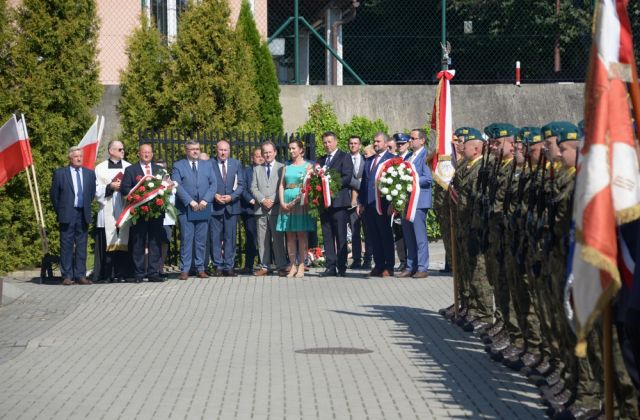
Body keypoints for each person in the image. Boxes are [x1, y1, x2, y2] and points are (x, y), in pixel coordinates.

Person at [50, 146, 96, 285]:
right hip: (67, 213)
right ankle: (67, 276)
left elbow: (91, 193)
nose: (79, 158)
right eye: (76, 156)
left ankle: (80, 275)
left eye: (80, 156)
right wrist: (61, 210)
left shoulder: (89, 173)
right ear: (70, 158)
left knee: (82, 245)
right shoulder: (60, 173)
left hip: (82, 213)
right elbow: (54, 195)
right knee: (66, 245)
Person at [172, 140, 217, 280]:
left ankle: (200, 268)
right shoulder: (178, 165)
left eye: (197, 148)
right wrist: (190, 201)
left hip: (203, 207)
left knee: (201, 240)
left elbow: (213, 184)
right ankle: (185, 269)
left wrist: (205, 200)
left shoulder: (207, 164)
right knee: (186, 239)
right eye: (192, 149)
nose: (195, 151)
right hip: (186, 208)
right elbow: (176, 185)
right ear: (186, 150)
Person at [120, 143, 165, 283]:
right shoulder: (131, 170)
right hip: (139, 212)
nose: (146, 155)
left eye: (149, 152)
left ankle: (153, 272)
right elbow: (124, 189)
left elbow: (165, 188)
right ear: (139, 154)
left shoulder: (159, 170)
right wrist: (137, 195)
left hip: (156, 212)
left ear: (152, 154)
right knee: (138, 242)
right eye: (144, 152)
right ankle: (138, 274)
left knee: (155, 242)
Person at [93, 140, 132, 283]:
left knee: (124, 240)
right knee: (107, 241)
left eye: (123, 149)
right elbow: (96, 189)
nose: (123, 151)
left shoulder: (128, 166)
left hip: (123, 207)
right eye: (120, 149)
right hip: (107, 208)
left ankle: (123, 273)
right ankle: (106, 274)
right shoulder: (100, 168)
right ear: (111, 151)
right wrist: (110, 186)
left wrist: (123, 188)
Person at [357, 132, 395, 277]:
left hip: (383, 205)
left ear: (386, 143)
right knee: (373, 236)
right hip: (369, 205)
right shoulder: (369, 161)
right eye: (374, 141)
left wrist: (393, 203)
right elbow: (364, 183)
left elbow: (395, 184)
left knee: (385, 235)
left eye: (378, 141)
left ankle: (389, 266)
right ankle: (378, 265)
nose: (375, 144)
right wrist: (360, 202)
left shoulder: (392, 160)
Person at [276, 139, 315, 278]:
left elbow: (308, 186)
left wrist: (296, 200)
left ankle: (302, 265)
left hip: (300, 202)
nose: (291, 151)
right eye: (290, 149)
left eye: (293, 148)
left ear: (301, 150)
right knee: (289, 235)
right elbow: (281, 185)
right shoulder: (286, 167)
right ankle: (292, 264)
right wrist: (282, 202)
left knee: (301, 234)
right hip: (286, 200)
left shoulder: (308, 166)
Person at [317, 131, 354, 277]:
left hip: (339, 202)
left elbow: (347, 177)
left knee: (340, 235)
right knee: (327, 235)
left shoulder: (345, 157)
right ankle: (330, 266)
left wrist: (330, 183)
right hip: (324, 204)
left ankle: (342, 266)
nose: (327, 145)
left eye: (329, 142)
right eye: (325, 142)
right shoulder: (321, 160)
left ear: (336, 142)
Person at [397, 129, 432, 279]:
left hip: (418, 202)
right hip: (406, 202)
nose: (410, 140)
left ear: (422, 140)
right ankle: (410, 266)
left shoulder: (426, 156)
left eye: (413, 138)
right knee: (408, 236)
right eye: (410, 138)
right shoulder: (409, 156)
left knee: (419, 236)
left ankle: (422, 267)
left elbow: (428, 178)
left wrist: (412, 181)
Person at [251, 141, 288, 276]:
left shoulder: (282, 167)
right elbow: (253, 187)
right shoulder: (257, 169)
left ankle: (281, 266)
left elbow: (283, 186)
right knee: (262, 240)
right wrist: (262, 200)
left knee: (278, 239)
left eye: (269, 152)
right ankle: (265, 266)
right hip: (260, 209)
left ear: (275, 152)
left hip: (276, 208)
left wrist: (272, 200)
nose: (267, 155)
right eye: (265, 152)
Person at [210, 140, 244, 277]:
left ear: (229, 151)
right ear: (216, 150)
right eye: (220, 150)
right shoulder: (209, 164)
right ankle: (218, 266)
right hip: (215, 206)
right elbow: (205, 183)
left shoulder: (236, 164)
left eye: (225, 150)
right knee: (215, 237)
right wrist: (213, 195)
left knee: (230, 237)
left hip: (231, 206)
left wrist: (232, 196)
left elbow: (241, 184)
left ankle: (229, 266)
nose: (223, 152)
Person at [240, 148, 263, 274]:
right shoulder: (246, 171)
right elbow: (242, 188)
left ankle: (265, 264)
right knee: (251, 237)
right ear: (252, 158)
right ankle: (249, 265)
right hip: (250, 209)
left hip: (265, 209)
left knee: (265, 238)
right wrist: (251, 200)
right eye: (257, 156)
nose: (260, 158)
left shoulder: (266, 170)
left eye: (261, 156)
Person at [347, 136, 366, 269]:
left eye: (355, 143)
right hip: (349, 201)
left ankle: (368, 258)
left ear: (359, 145)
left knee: (368, 231)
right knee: (354, 231)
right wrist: (359, 184)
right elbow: (346, 178)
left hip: (364, 200)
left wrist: (360, 186)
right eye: (351, 143)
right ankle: (356, 259)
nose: (353, 145)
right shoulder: (344, 159)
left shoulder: (366, 159)